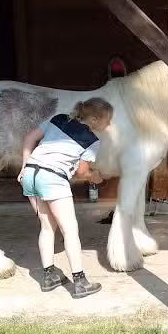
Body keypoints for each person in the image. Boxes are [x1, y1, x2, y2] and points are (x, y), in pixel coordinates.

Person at [18, 98, 113, 298]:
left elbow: (29, 138)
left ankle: (49, 277)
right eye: (108, 120)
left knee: (46, 227)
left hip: (31, 175)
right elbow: (82, 172)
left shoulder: (58, 119)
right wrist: (95, 177)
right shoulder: (91, 140)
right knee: (70, 231)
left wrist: (24, 166)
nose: (109, 124)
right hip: (52, 179)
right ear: (95, 119)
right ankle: (80, 282)